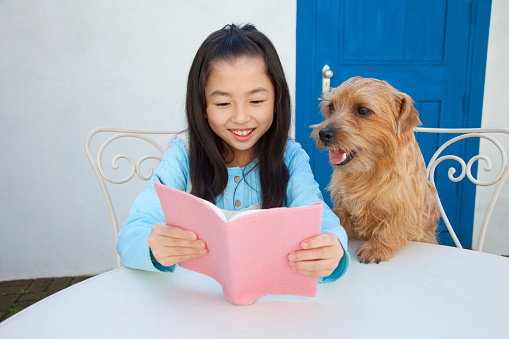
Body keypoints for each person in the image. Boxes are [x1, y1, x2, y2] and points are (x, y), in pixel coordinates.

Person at [117, 24, 350, 283]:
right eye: (223, 103)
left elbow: (321, 221)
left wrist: (333, 248)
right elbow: (131, 235)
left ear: (277, 100)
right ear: (203, 106)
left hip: (270, 305)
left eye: (257, 101)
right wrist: (152, 245)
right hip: (192, 304)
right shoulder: (184, 154)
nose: (240, 117)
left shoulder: (291, 157)